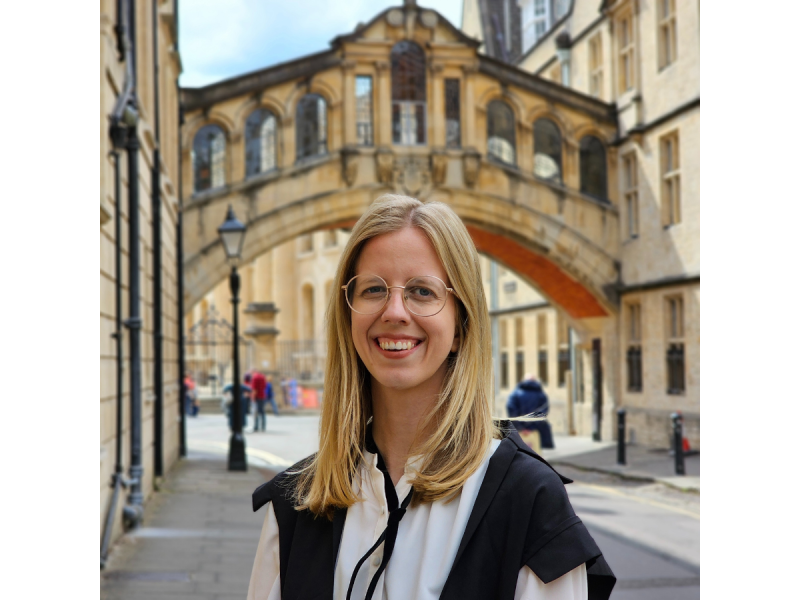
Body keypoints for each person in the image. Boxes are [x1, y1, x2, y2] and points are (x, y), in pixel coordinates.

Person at [247, 195, 615, 600]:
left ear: (461, 325)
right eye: (373, 289)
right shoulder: (295, 504)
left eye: (422, 291)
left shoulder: (529, 502)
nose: (394, 311)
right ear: (348, 317)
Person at [507, 374, 555, 452]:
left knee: (520, 452)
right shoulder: (541, 394)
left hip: (519, 432)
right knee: (535, 452)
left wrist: (520, 427)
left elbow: (511, 410)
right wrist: (531, 427)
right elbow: (542, 412)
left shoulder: (515, 393)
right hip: (535, 431)